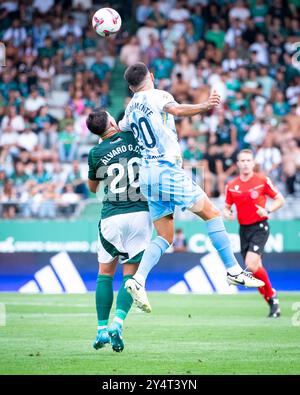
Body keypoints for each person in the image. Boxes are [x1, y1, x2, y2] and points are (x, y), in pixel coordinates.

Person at [118, 62, 264, 313]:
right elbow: (176, 109)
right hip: (166, 169)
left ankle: (138, 280)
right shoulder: (158, 95)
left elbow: (119, 130)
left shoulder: (130, 108)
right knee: (212, 213)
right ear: (151, 76)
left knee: (164, 236)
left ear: (131, 87)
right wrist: (204, 106)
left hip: (148, 175)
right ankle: (233, 270)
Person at [86, 108, 152, 352]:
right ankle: (118, 323)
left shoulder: (95, 152)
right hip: (139, 213)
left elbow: (93, 188)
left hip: (112, 216)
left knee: (105, 273)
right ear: (112, 121)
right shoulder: (134, 137)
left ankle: (101, 329)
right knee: (131, 275)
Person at [224, 149, 285, 318]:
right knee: (255, 269)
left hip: (260, 226)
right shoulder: (231, 185)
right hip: (243, 229)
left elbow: (280, 199)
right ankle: (272, 302)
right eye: (242, 160)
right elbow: (227, 207)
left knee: (251, 265)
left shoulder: (262, 181)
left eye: (248, 160)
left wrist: (268, 210)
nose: (245, 163)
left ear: (253, 163)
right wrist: (227, 213)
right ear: (237, 164)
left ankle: (271, 294)